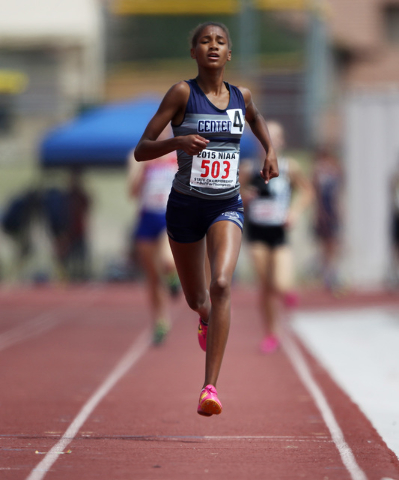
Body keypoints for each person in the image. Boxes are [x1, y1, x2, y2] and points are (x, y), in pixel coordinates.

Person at [134, 21, 278, 417]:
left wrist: (270, 151)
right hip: (183, 206)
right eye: (204, 41)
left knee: (221, 283)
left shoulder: (240, 96)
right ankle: (203, 318)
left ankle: (209, 387)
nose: (212, 46)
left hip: (225, 205)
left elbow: (256, 117)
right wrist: (177, 141)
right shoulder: (182, 93)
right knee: (198, 299)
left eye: (220, 42)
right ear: (194, 52)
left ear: (229, 53)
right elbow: (141, 150)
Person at [240, 121, 313, 353]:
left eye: (275, 137)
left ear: (281, 142)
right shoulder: (248, 167)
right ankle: (272, 333)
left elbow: (307, 190)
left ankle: (287, 293)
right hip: (257, 234)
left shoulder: (290, 167)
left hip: (279, 233)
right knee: (265, 286)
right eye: (265, 136)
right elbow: (234, 193)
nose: (269, 141)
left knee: (280, 284)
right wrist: (244, 195)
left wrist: (295, 212)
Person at [128, 127, 180, 345]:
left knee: (168, 262)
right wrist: (145, 168)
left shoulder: (179, 154)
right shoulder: (137, 155)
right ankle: (160, 322)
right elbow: (132, 192)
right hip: (147, 217)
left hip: (170, 216)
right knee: (152, 278)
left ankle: (174, 278)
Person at [312, 147, 343, 291]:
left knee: (334, 243)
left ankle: (331, 271)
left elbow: (337, 193)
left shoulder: (334, 172)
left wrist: (339, 210)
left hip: (332, 209)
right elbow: (316, 195)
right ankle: (325, 272)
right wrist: (319, 213)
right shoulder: (317, 172)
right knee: (325, 243)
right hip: (323, 210)